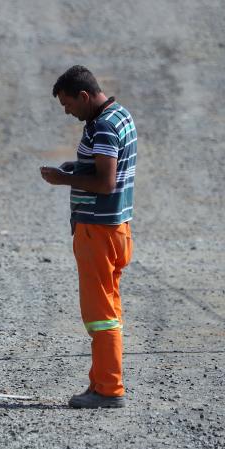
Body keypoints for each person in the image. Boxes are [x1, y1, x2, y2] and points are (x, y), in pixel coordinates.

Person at [40, 65, 136, 408]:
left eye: (68, 105)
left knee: (100, 313)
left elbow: (106, 183)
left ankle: (109, 390)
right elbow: (101, 169)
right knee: (108, 308)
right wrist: (75, 169)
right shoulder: (119, 115)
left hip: (98, 229)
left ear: (84, 96)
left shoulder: (105, 126)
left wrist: (62, 179)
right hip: (115, 228)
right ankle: (101, 383)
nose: (68, 112)